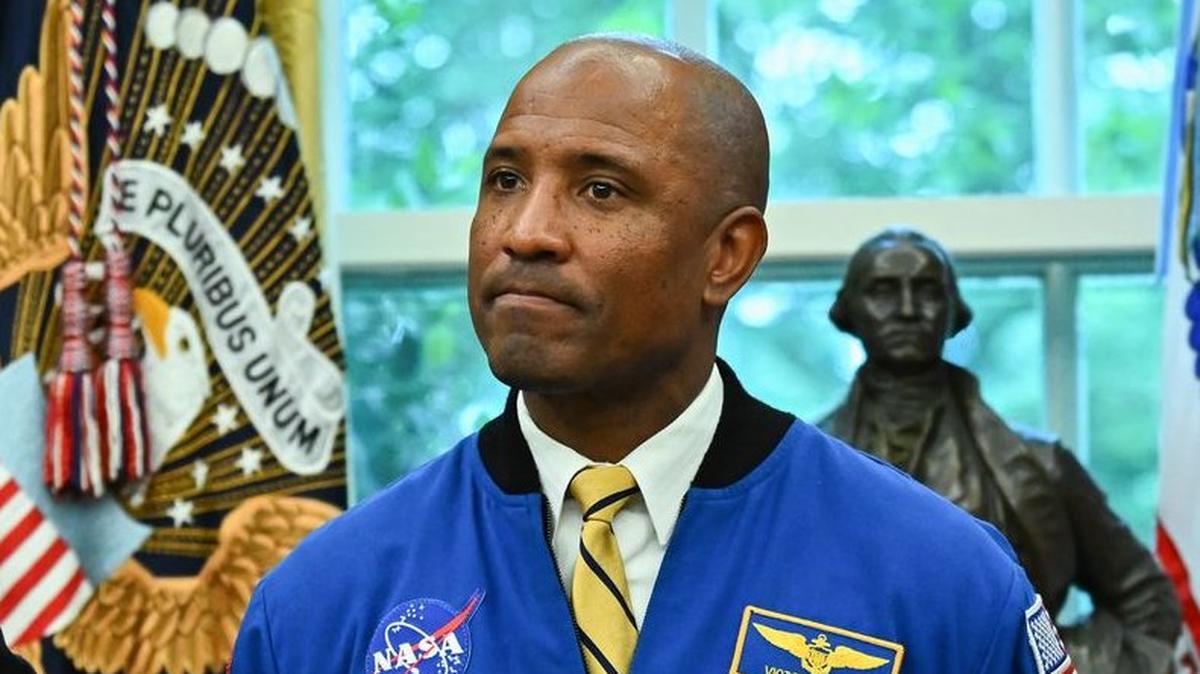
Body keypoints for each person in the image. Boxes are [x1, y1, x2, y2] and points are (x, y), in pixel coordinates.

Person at [231, 36, 1074, 674]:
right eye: (504, 181)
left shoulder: (940, 580)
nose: (526, 233)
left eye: (601, 189)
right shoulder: (322, 605)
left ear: (727, 257)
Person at [821, 227, 1181, 674]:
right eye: (883, 291)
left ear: (955, 311)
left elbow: (1144, 595)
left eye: (928, 290)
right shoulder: (807, 467)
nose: (909, 310)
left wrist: (1076, 663)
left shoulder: (1041, 463)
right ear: (848, 311)